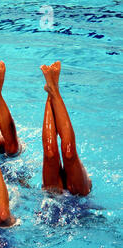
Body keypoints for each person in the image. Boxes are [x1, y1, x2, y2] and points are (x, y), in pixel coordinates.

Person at [41, 61, 92, 196]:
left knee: (66, 153)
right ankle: (53, 89)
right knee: (50, 153)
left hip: (78, 198)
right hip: (78, 194)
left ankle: (52, 89)